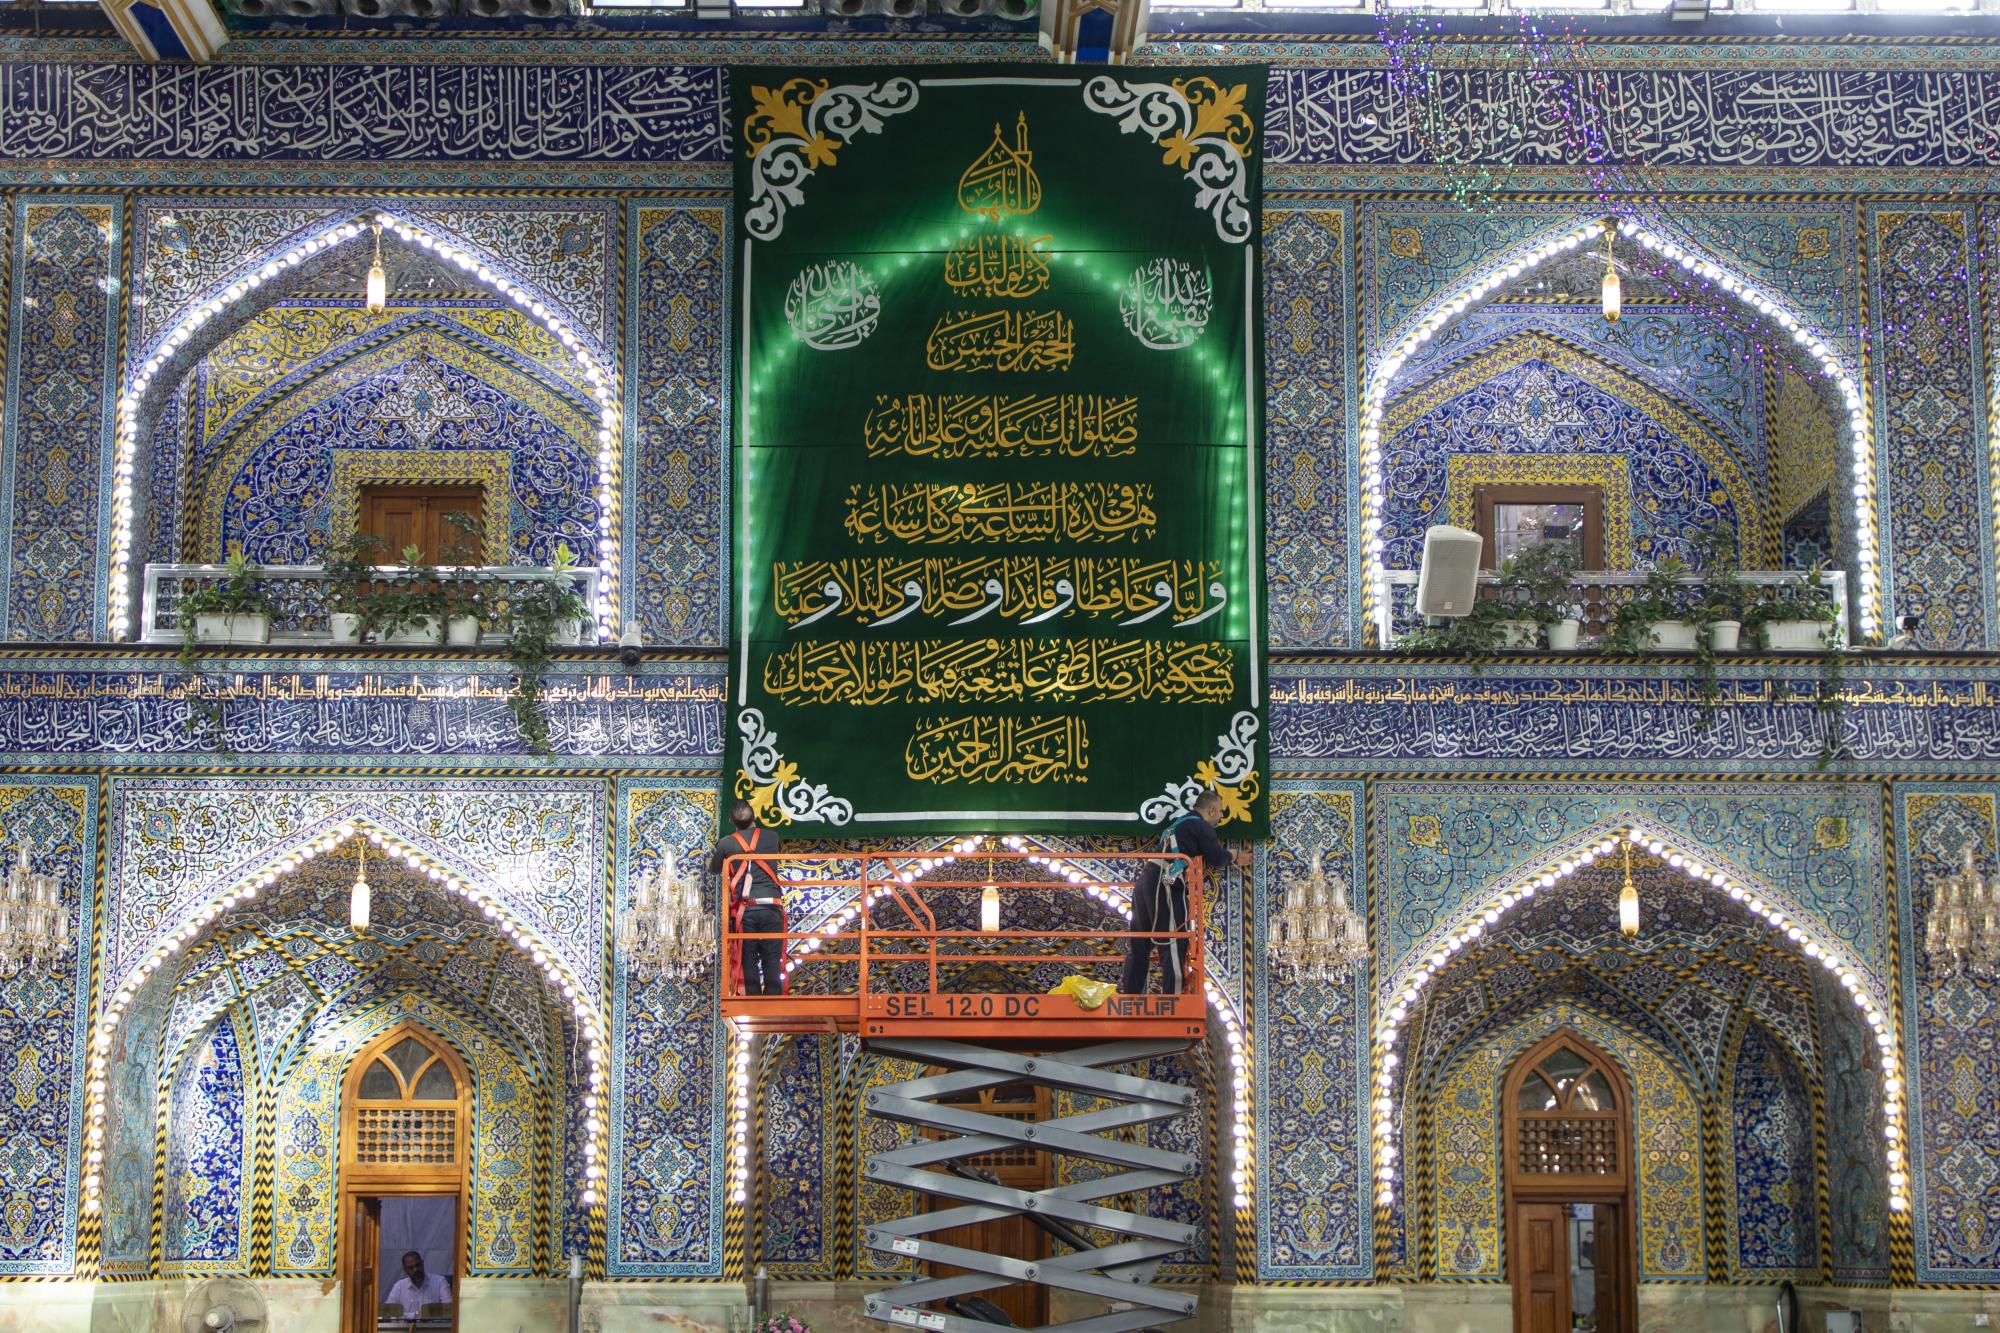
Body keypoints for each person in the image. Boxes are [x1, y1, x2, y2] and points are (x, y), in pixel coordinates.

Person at [1119, 790, 1251, 995]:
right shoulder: (1201, 826)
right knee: (1174, 940)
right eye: (1220, 812)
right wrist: (1233, 855)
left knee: (1139, 943)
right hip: (1165, 881)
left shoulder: (1178, 824)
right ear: (1211, 810)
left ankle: (1131, 997)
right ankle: (1174, 1001)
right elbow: (1216, 857)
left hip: (1146, 879)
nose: (1221, 816)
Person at [709, 799, 785, 995]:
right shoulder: (772, 836)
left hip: (746, 908)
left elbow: (714, 869)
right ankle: (773, 999)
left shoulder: (726, 843)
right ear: (755, 817)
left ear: (731, 822)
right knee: (772, 956)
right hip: (772, 905)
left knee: (748, 956)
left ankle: (753, 999)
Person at [383, 1250, 451, 1319]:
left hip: (433, 1325)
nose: (415, 1270)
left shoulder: (440, 1282)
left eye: (417, 1265)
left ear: (422, 1264)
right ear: (405, 1270)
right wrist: (416, 1316)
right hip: (406, 1325)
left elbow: (449, 1310)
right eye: (410, 1268)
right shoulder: (399, 1286)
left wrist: (407, 1316)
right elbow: (388, 1312)